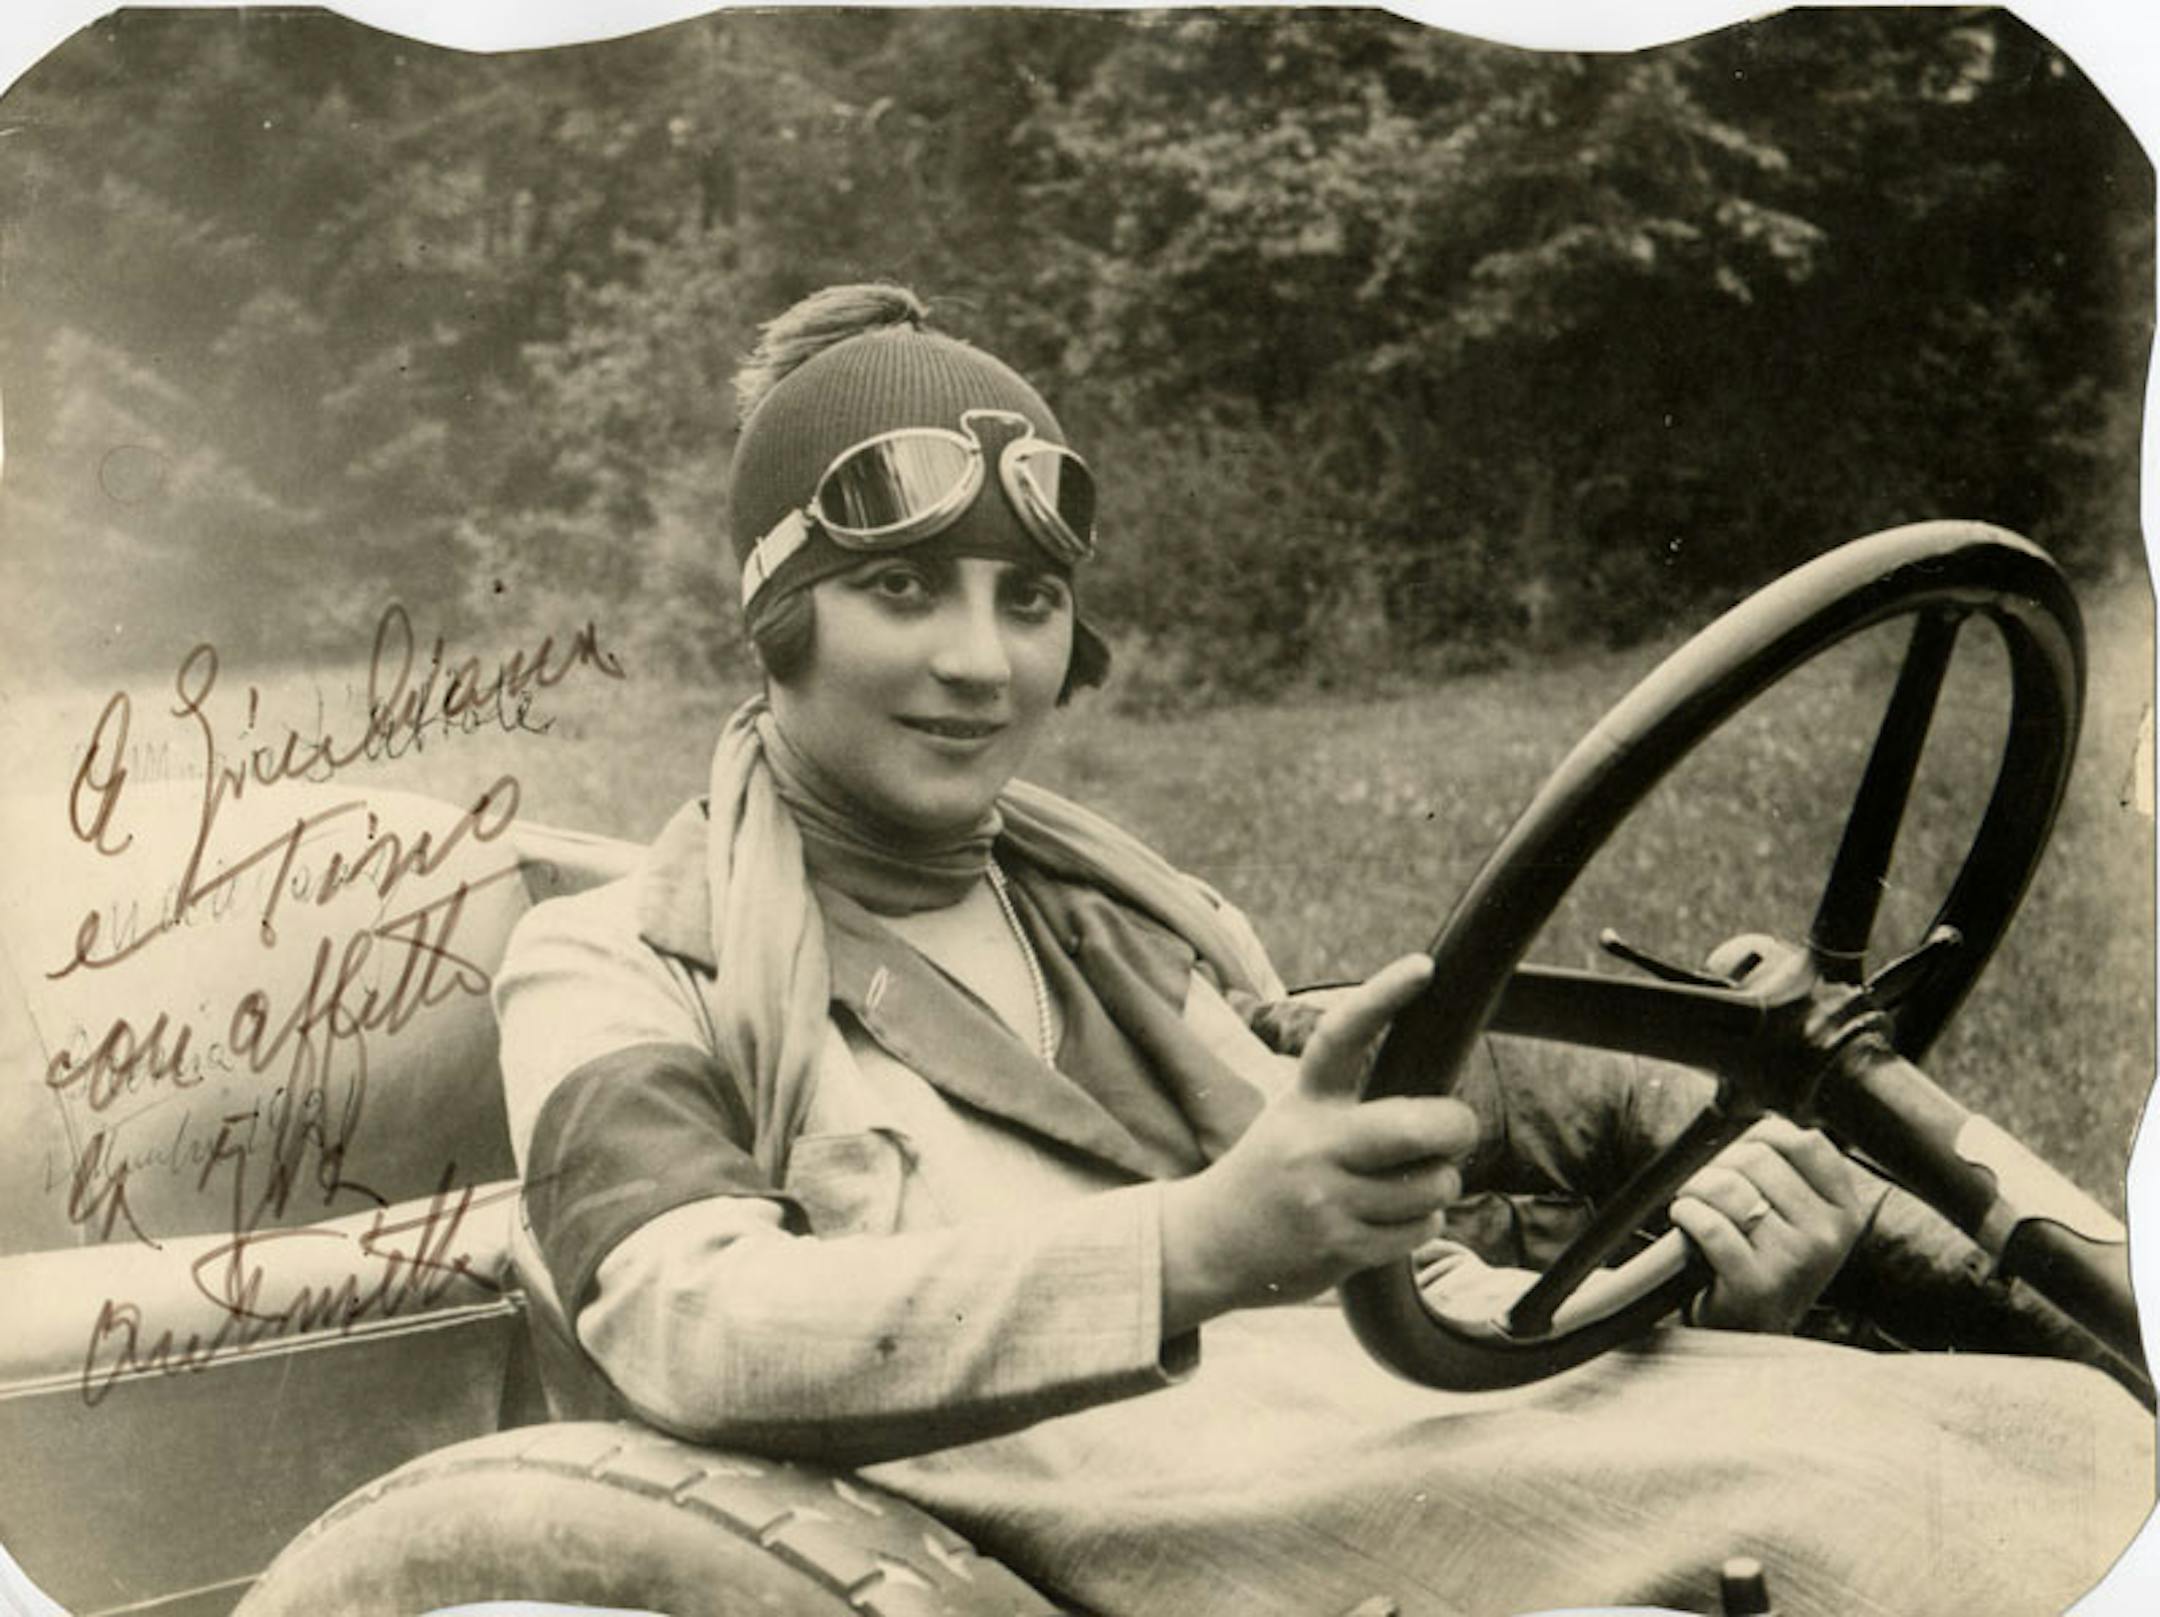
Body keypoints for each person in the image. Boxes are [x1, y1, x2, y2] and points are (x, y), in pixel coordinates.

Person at [493, 283, 2152, 1617]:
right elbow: (686, 1319)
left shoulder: (1139, 918)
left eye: (1028, 599)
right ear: (778, 614)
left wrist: (1708, 1291)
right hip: (1163, 1507)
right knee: (1895, 1523)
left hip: (1389, 1433)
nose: (982, 664)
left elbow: (1414, 1300)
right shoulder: (620, 960)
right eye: (909, 589)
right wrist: (1200, 1244)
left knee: (2058, 1428)